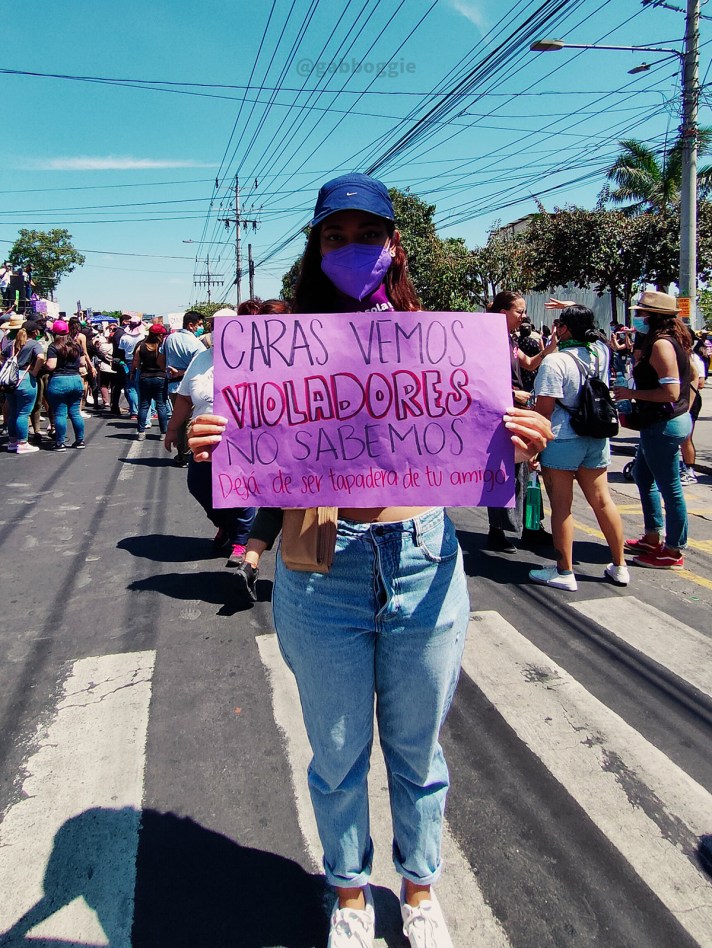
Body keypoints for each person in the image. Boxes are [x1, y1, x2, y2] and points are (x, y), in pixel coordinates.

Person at [187, 174, 552, 948]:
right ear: (315, 249)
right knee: (337, 753)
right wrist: (213, 445)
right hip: (324, 572)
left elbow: (487, 442)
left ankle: (419, 890)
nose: (352, 248)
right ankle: (349, 894)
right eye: (335, 236)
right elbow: (252, 467)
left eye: (368, 235)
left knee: (418, 753)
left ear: (395, 245)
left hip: (424, 561)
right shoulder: (278, 349)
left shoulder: (443, 342)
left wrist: (523, 438)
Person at [530, 305, 629, 590]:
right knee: (603, 501)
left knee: (562, 507)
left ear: (563, 329)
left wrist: (534, 448)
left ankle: (564, 572)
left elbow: (544, 411)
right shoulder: (601, 352)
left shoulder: (555, 361)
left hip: (562, 438)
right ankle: (620, 566)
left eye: (559, 325)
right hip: (596, 435)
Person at [164, 303, 257, 569]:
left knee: (240, 491)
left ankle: (241, 540)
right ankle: (225, 524)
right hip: (205, 438)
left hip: (243, 439)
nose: (220, 330)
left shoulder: (253, 357)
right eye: (215, 326)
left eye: (226, 325)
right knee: (199, 485)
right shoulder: (201, 358)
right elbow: (184, 398)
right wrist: (172, 429)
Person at [613, 291, 693, 569]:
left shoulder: (661, 345)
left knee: (670, 488)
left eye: (641, 313)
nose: (637, 318)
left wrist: (631, 394)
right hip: (663, 422)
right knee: (643, 475)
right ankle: (652, 536)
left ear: (653, 316)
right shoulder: (667, 341)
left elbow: (670, 393)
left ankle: (673, 550)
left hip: (663, 424)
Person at [485, 290, 558, 553]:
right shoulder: (487, 339)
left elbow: (528, 364)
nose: (523, 316)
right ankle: (497, 530)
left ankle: (527, 525)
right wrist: (512, 393)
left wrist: (548, 349)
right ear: (502, 312)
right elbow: (481, 379)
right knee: (504, 471)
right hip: (503, 411)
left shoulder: (510, 339)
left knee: (524, 470)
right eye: (519, 311)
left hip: (518, 409)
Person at [160, 310, 204, 465]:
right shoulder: (197, 344)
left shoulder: (169, 339)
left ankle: (182, 453)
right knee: (190, 421)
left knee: (179, 419)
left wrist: (170, 372)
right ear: (191, 325)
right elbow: (200, 370)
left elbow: (161, 360)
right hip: (191, 385)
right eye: (200, 324)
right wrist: (180, 372)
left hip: (173, 386)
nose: (202, 327)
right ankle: (186, 454)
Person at [2, 318, 45, 454]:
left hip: (10, 380)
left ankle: (13, 442)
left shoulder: (12, 344)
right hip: (25, 378)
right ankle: (22, 443)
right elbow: (41, 357)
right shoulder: (34, 344)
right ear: (35, 332)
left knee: (13, 412)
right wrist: (35, 372)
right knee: (23, 413)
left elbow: (2, 357)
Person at [131, 323, 169, 440]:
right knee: (161, 405)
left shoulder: (141, 346)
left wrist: (138, 370)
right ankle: (163, 433)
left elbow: (136, 362)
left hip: (145, 377)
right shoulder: (162, 346)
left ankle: (141, 432)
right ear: (159, 335)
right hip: (161, 377)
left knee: (144, 405)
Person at [118, 317, 146, 418]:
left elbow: (121, 351)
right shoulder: (143, 336)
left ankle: (134, 411)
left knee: (131, 387)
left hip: (129, 361)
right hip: (142, 362)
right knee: (142, 387)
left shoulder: (124, 337)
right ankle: (145, 410)